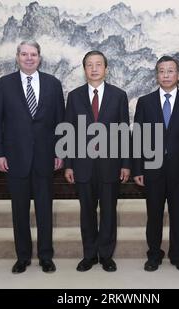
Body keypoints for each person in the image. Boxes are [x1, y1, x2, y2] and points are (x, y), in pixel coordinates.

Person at [0, 41, 65, 274]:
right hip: (14, 159)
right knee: (19, 211)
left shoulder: (53, 84)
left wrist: (60, 152)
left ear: (40, 58)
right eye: (24, 54)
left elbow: (60, 122)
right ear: (17, 57)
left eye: (33, 54)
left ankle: (45, 256)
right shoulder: (4, 84)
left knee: (44, 211)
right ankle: (22, 257)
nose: (29, 58)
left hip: (45, 159)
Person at [133, 56, 179, 273]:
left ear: (178, 75)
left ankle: (178, 256)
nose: (166, 75)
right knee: (153, 214)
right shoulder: (145, 102)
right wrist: (137, 169)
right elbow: (138, 138)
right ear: (157, 75)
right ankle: (154, 255)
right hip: (152, 170)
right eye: (161, 71)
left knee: (177, 215)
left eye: (170, 71)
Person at [64, 50, 130, 272]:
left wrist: (125, 163)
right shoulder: (74, 97)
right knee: (87, 213)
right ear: (84, 70)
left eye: (98, 64)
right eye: (89, 65)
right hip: (82, 166)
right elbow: (69, 133)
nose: (94, 68)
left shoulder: (119, 96)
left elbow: (124, 133)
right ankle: (89, 255)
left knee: (109, 212)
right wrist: (69, 165)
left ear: (106, 69)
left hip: (110, 165)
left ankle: (106, 255)